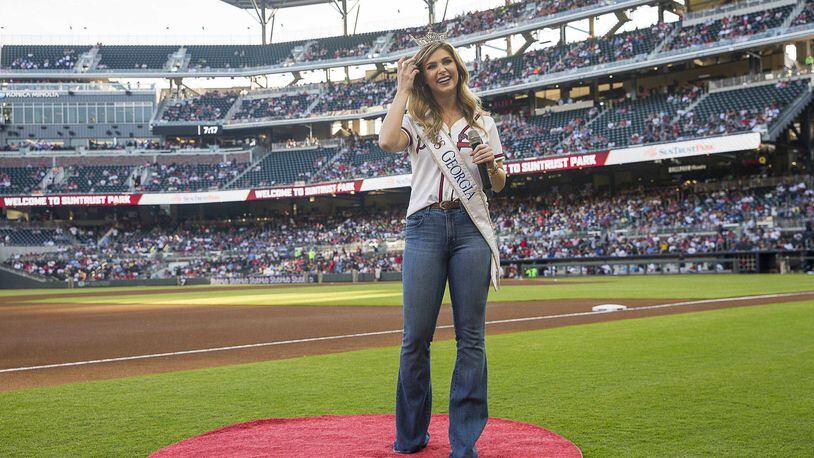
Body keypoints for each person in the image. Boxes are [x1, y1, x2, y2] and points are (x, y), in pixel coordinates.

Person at [378, 32, 507, 458]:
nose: (441, 70)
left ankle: (464, 442)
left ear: (458, 68)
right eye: (431, 66)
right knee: (415, 337)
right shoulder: (417, 119)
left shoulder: (482, 120)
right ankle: (411, 436)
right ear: (424, 76)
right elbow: (387, 141)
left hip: (470, 229)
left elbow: (500, 184)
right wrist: (401, 89)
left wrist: (492, 165)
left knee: (471, 337)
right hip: (425, 227)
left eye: (446, 62)